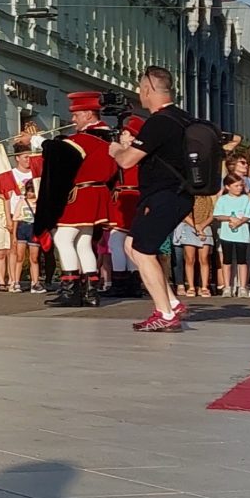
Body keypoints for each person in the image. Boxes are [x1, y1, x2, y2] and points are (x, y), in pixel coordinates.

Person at [110, 66, 197, 330]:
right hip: (178, 194)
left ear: (148, 89)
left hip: (165, 195)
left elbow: (126, 162)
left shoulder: (159, 122)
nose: (140, 95)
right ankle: (172, 301)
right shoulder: (184, 118)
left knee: (141, 250)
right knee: (132, 245)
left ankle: (165, 314)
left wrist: (117, 149)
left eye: (140, 89)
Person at [33, 92, 118, 309]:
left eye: (76, 115)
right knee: (83, 242)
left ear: (89, 114)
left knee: (63, 238)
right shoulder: (106, 137)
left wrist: (37, 140)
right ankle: (90, 291)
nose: (73, 120)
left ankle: (70, 290)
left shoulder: (87, 138)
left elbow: (60, 153)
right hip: (96, 194)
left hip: (81, 194)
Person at [213, 175, 250, 297]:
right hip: (226, 235)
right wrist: (229, 218)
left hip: (242, 235)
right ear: (227, 187)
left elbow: (248, 215)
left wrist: (239, 221)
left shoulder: (245, 199)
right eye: (236, 186)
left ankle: (242, 287)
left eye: (241, 185)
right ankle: (227, 286)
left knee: (242, 260)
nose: (239, 188)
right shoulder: (223, 199)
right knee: (227, 260)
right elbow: (217, 215)